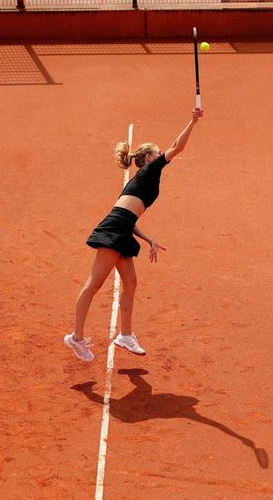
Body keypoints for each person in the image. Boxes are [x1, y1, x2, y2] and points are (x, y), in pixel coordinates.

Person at [64, 108, 204, 361]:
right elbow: (177, 146)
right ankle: (76, 338)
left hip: (122, 228)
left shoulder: (143, 178)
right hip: (114, 230)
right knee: (93, 284)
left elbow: (127, 216)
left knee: (130, 282)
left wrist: (148, 239)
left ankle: (125, 335)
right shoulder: (150, 171)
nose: (161, 154)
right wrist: (192, 122)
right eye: (157, 152)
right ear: (149, 158)